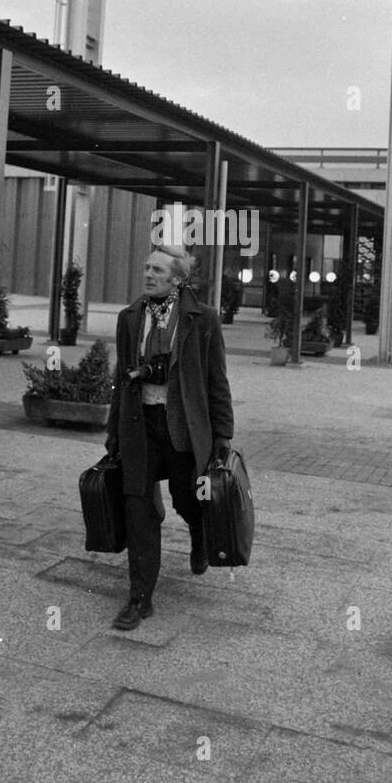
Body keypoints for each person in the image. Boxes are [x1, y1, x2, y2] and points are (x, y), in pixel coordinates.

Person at [105, 244, 234, 630]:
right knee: (139, 508)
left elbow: (216, 381)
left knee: (186, 497)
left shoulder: (203, 319)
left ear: (178, 278)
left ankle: (197, 532)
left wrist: (223, 436)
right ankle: (139, 598)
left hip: (182, 427)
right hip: (140, 426)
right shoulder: (130, 317)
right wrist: (113, 431)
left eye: (157, 270)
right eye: (146, 268)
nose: (148, 275)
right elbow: (119, 380)